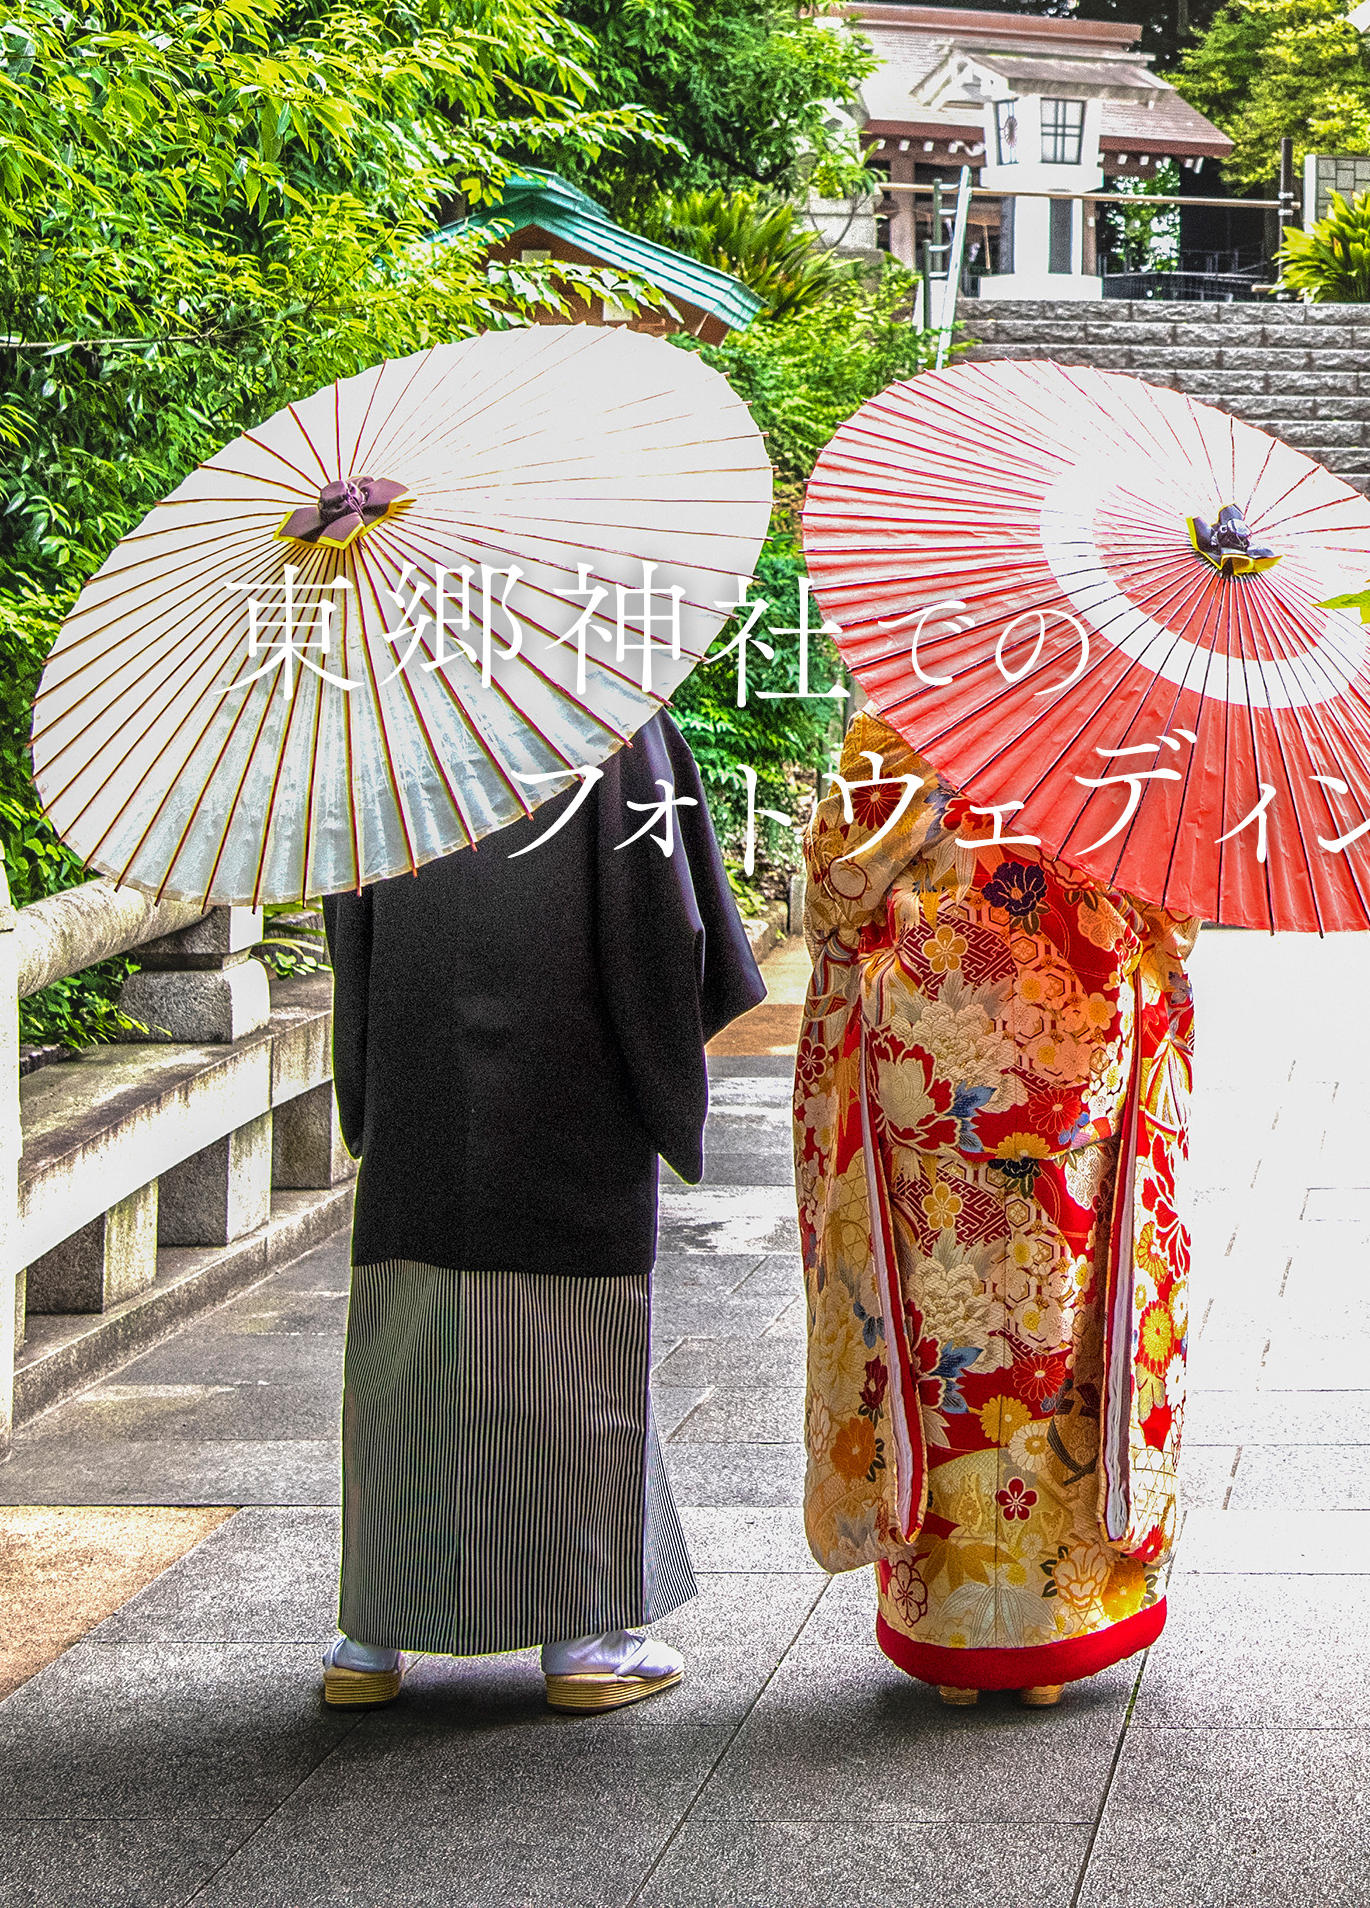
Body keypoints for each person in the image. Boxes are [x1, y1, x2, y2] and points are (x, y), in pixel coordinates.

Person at [313, 712, 759, 1714]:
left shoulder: (382, 717)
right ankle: (583, 1643)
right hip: (569, 1077)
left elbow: (348, 915)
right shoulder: (601, 709)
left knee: (409, 1349)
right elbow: (665, 921)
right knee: (571, 1349)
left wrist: (373, 1072)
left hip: (422, 1077)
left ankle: (369, 1642)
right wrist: (667, 1051)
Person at [793, 711, 1194, 1704]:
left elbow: (834, 895)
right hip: (1073, 1090)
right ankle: (1055, 1628)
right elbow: (1170, 919)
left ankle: (954, 1633)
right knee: (1060, 1334)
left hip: (933, 1089)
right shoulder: (1122, 728)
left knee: (942, 1346)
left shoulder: (898, 726)